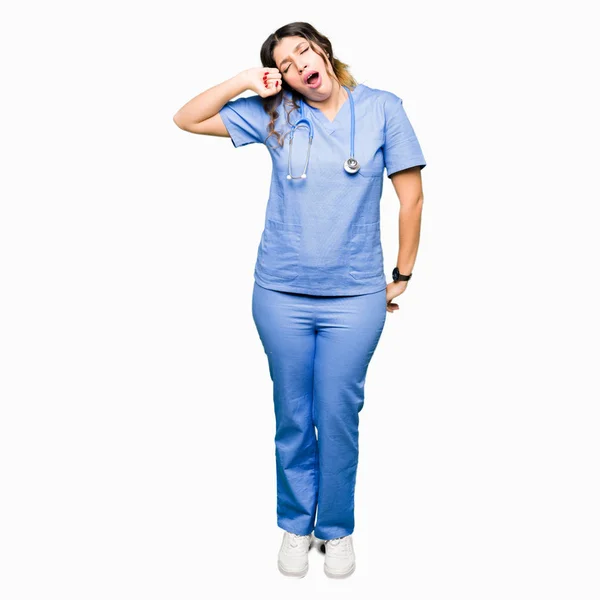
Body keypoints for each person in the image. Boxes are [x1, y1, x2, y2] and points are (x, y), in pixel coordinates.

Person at [173, 21, 426, 579]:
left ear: (324, 51)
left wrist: (401, 274)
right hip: (280, 293)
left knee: (338, 413)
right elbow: (186, 118)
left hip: (355, 296)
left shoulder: (383, 108)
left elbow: (411, 197)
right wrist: (246, 79)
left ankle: (336, 530)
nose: (297, 67)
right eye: (283, 65)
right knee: (293, 413)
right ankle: (295, 524)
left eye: (301, 53)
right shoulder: (276, 114)